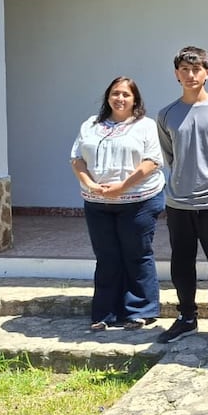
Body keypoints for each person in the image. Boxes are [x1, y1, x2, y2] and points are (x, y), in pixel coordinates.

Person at [156, 46, 208, 346]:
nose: (191, 75)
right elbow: (170, 156)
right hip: (179, 202)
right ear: (177, 74)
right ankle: (186, 316)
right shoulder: (166, 114)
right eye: (185, 69)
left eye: (197, 69)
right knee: (181, 262)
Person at [70, 76, 165, 331]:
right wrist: (90, 184)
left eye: (126, 94)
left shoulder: (145, 126)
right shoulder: (91, 125)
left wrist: (122, 187)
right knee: (107, 257)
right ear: (108, 97)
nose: (120, 98)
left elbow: (152, 161)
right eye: (115, 93)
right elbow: (77, 158)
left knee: (136, 254)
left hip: (139, 201)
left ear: (135, 100)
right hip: (97, 202)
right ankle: (105, 312)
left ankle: (139, 311)